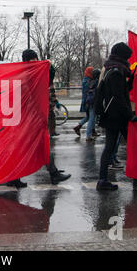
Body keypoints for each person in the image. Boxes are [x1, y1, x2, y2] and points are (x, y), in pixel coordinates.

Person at [96, 42, 137, 191]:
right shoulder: (116, 71)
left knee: (111, 148)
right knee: (128, 147)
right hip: (117, 116)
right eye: (128, 57)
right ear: (122, 56)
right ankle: (135, 179)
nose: (129, 60)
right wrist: (130, 116)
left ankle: (104, 180)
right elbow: (118, 97)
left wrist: (134, 75)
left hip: (113, 115)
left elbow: (125, 89)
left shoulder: (111, 68)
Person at [7, 49, 71, 187]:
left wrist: (49, 67)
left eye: (36, 60)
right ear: (26, 62)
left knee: (41, 144)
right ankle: (51, 174)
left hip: (33, 117)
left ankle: (16, 177)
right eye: (32, 61)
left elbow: (47, 81)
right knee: (33, 146)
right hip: (28, 118)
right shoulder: (26, 75)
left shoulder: (29, 73)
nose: (35, 62)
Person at [73, 67, 100, 141]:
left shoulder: (86, 79)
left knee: (90, 117)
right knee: (92, 117)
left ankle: (79, 127)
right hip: (90, 101)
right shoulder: (90, 81)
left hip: (87, 101)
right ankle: (88, 134)